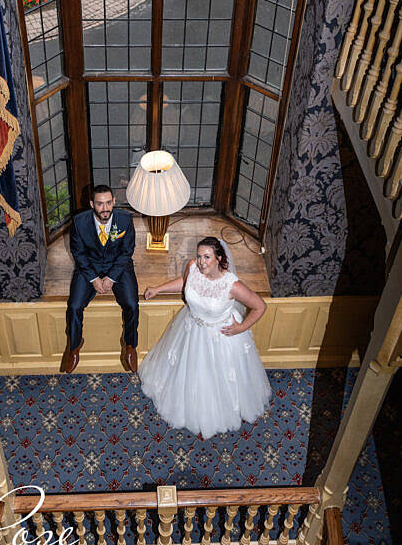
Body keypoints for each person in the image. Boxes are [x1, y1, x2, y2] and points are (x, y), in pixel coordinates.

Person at [139, 236, 271, 438]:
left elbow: (260, 306)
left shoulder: (232, 285)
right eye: (199, 256)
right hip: (191, 329)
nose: (201, 261)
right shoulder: (193, 267)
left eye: (207, 257)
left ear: (219, 258)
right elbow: (185, 282)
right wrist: (158, 289)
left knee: (216, 380)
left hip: (220, 338)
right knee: (188, 372)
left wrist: (241, 327)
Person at [63, 184, 139, 374]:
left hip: (118, 267)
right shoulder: (79, 222)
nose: (104, 208)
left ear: (113, 202)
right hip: (89, 267)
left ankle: (130, 344)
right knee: (74, 306)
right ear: (92, 204)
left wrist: (112, 277)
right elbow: (78, 253)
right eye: (99, 204)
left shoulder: (125, 220)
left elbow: (127, 252)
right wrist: (94, 279)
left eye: (108, 203)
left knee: (132, 304)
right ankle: (74, 346)